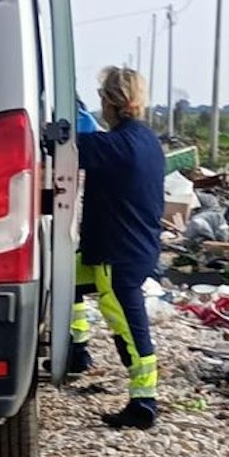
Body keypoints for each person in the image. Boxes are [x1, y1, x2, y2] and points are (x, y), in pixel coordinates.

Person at [67, 66, 166, 430]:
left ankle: (144, 401)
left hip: (117, 256)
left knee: (127, 326)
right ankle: (77, 349)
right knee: (64, 280)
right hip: (127, 249)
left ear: (110, 101)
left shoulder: (116, 145)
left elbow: (69, 146)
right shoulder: (145, 140)